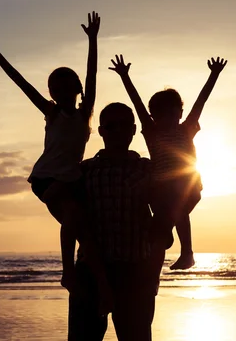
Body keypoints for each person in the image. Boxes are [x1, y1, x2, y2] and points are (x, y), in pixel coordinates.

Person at [0, 12, 113, 313]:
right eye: (56, 89)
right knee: (74, 217)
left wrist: (93, 40)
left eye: (67, 88)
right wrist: (0, 59)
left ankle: (87, 282)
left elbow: (92, 76)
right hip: (48, 178)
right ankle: (73, 274)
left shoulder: (84, 113)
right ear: (52, 93)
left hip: (71, 180)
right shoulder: (52, 113)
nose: (61, 93)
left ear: (76, 91)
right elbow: (23, 85)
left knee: (81, 228)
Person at [109, 54, 228, 270]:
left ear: (180, 113)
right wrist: (125, 77)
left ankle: (187, 252)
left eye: (172, 113)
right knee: (161, 219)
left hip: (186, 184)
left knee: (178, 209)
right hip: (161, 188)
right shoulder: (152, 133)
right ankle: (166, 242)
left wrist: (213, 75)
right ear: (154, 116)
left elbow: (201, 102)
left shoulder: (186, 129)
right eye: (160, 114)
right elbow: (137, 104)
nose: (166, 119)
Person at [68, 102, 165, 341]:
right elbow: (71, 222)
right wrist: (68, 271)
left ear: (133, 130)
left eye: (123, 126)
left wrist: (153, 277)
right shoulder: (84, 171)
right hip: (90, 270)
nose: (117, 132)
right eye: (110, 127)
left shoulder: (148, 169)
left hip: (135, 272)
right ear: (101, 131)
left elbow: (163, 222)